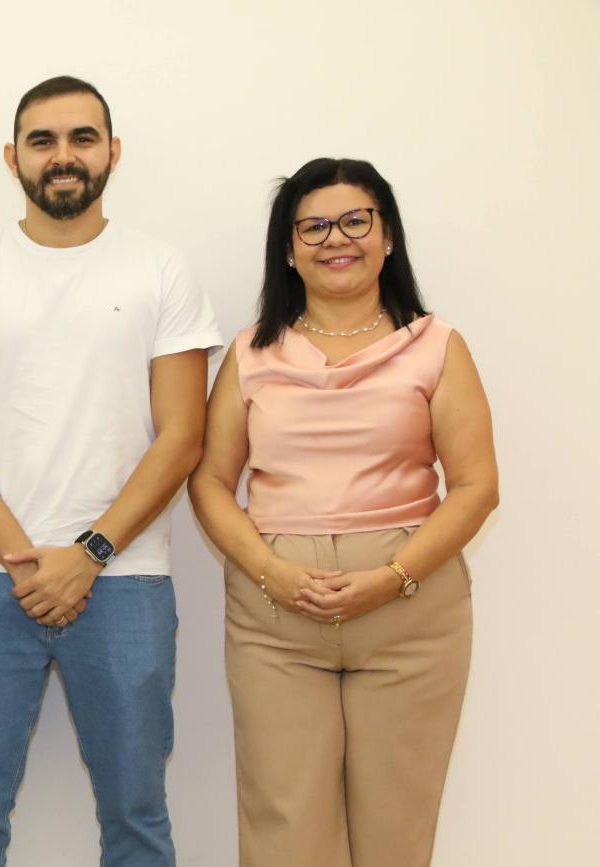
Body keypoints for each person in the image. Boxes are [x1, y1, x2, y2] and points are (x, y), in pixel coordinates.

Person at [0, 76, 221, 866]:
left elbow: (182, 435)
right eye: (42, 140)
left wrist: (89, 554)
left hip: (124, 579)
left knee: (136, 814)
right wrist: (24, 560)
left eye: (82, 138)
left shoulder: (161, 268)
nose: (63, 155)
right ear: (11, 156)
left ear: (113, 152)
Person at [188, 157, 498, 867]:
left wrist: (392, 578)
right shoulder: (251, 353)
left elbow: (477, 486)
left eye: (356, 220)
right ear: (289, 249)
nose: (336, 238)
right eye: (314, 226)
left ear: (388, 236)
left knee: (397, 828)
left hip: (411, 618)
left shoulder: (437, 346)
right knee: (285, 826)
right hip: (276, 622)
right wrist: (269, 571)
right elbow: (210, 480)